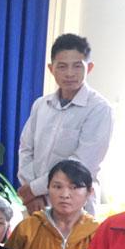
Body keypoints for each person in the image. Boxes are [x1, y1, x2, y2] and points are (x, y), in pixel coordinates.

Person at [16, 33, 114, 214]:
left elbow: (81, 164)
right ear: (51, 69)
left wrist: (34, 189)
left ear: (89, 68)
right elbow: (26, 149)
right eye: (62, 66)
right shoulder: (41, 105)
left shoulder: (99, 109)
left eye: (77, 66)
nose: (69, 73)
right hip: (36, 203)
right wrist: (32, 192)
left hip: (75, 204)